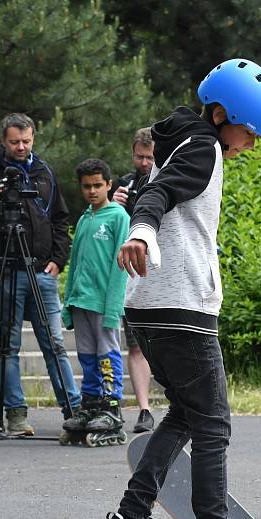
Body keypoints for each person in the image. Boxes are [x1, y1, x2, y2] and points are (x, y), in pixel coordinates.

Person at [96, 58, 261, 519]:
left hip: (150, 307)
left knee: (185, 414)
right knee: (212, 425)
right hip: (180, 309)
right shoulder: (202, 147)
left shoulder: (180, 143)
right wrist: (142, 233)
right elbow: (156, 198)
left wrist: (145, 232)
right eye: (248, 132)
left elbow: (154, 190)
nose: (249, 143)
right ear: (222, 113)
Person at [0, 112, 81, 436]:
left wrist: (59, 259)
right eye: (15, 142)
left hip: (41, 270)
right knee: (8, 346)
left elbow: (60, 219)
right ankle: (16, 415)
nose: (21, 147)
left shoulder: (44, 173)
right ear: (4, 141)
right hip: (7, 268)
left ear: (33, 139)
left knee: (54, 343)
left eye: (26, 141)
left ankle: (74, 410)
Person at [60, 159, 130, 445]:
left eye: (97, 185)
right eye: (86, 186)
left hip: (103, 304)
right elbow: (75, 262)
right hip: (81, 302)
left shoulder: (118, 217)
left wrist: (114, 307)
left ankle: (111, 406)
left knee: (106, 355)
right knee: (87, 357)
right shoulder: (85, 218)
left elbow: (120, 267)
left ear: (109, 185)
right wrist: (68, 302)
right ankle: (90, 405)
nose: (92, 191)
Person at [109, 128, 156, 433]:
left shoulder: (166, 182)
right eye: (139, 156)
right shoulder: (123, 185)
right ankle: (144, 409)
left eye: (149, 158)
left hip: (160, 273)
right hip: (130, 277)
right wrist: (113, 202)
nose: (143, 163)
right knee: (136, 346)